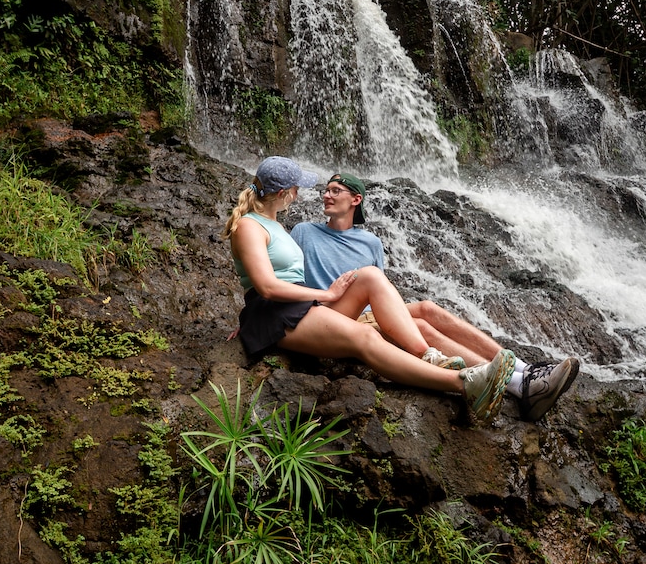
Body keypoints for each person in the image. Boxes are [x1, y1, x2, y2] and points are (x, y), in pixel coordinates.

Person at [225, 156, 515, 425]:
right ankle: (465, 383)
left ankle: (430, 356)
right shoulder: (249, 226)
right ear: (283, 193)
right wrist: (323, 296)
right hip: (277, 315)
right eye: (297, 188)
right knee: (366, 336)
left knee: (371, 276)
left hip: (298, 309)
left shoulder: (274, 224)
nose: (300, 192)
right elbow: (265, 287)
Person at [291, 171, 580, 423]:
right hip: (332, 315)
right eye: (326, 190)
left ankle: (526, 371)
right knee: (420, 327)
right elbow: (291, 280)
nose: (326, 195)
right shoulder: (305, 232)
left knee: (427, 308)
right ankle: (516, 385)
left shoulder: (371, 242)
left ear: (356, 199)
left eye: (335, 191)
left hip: (367, 313)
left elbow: (380, 292)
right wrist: (323, 298)